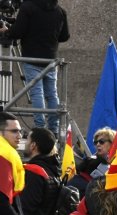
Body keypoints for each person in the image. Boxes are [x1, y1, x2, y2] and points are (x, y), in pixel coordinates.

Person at [2, 0, 70, 134]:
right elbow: (64, 36)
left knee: (37, 93)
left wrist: (6, 31)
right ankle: (54, 129)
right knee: (52, 94)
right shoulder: (60, 11)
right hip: (51, 59)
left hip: (31, 57)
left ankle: (40, 128)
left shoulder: (28, 7)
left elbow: (17, 32)